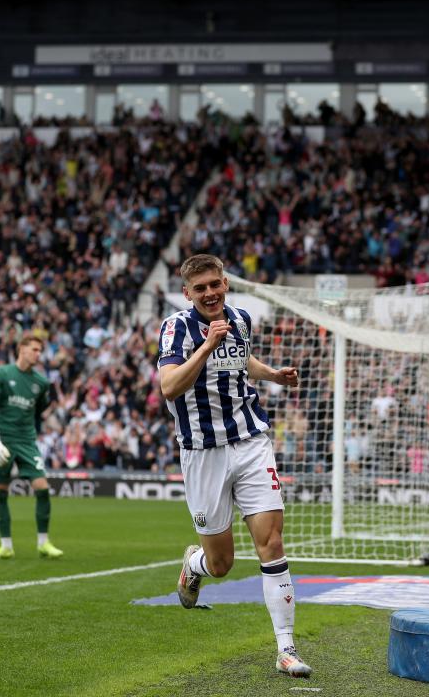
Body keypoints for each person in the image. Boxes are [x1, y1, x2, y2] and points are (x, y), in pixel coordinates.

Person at [158, 254, 312, 678]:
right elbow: (169, 387)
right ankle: (194, 566)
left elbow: (242, 362)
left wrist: (273, 375)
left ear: (225, 283)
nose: (210, 293)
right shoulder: (177, 328)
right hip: (203, 453)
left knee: (272, 544)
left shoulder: (240, 319)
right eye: (200, 288)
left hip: (250, 443)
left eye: (215, 284)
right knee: (221, 563)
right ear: (188, 293)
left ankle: (286, 649)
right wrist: (207, 345)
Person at [0, 334, 63, 560]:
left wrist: (34, 437)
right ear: (21, 349)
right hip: (3, 440)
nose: (38, 354)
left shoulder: (41, 382)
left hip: (26, 441)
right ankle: (5, 545)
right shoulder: (2, 373)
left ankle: (43, 543)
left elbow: (38, 414)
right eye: (34, 349)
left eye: (40, 350)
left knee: (42, 487)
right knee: (0, 491)